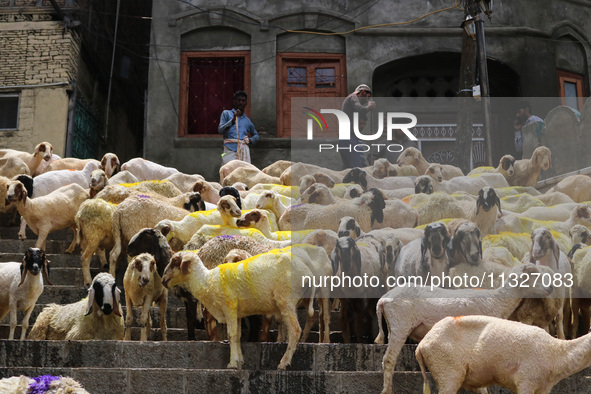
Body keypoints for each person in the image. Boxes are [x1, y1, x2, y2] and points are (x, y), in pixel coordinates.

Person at [338, 84, 377, 169]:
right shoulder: (353, 97)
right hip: (347, 139)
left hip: (348, 138)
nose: (367, 99)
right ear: (362, 92)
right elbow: (360, 109)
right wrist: (369, 107)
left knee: (350, 168)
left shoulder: (351, 107)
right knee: (357, 168)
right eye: (367, 96)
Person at [218, 90, 259, 164]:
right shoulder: (226, 114)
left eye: (243, 101)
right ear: (234, 102)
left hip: (243, 150)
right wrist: (233, 119)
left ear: (246, 103)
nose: (241, 102)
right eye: (239, 100)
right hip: (228, 150)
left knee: (243, 173)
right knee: (228, 171)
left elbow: (256, 135)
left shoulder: (247, 120)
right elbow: (220, 130)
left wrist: (250, 140)